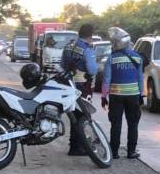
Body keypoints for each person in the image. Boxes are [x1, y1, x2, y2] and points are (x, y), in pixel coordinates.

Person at [101, 27, 144, 159]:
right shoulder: (137, 57)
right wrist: (141, 95)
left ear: (116, 43)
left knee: (116, 124)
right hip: (133, 96)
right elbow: (140, 79)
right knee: (133, 124)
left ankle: (114, 152)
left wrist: (104, 97)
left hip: (116, 96)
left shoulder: (111, 58)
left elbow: (107, 79)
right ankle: (131, 151)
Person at [61, 24, 98, 156]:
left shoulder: (69, 46)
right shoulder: (87, 49)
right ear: (91, 35)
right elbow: (93, 70)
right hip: (83, 86)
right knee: (83, 116)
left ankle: (74, 145)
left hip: (68, 85)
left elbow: (62, 66)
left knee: (74, 115)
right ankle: (78, 147)